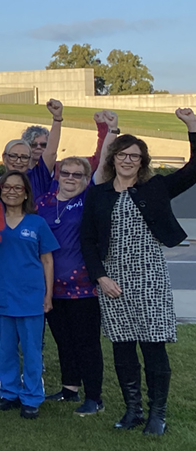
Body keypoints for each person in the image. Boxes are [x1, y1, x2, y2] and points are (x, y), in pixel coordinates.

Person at [80, 108, 196, 436]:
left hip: (150, 278)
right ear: (113, 158)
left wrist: (192, 127)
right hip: (113, 280)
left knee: (153, 346)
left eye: (136, 156)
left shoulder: (155, 188)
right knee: (122, 346)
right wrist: (101, 277)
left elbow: (194, 170)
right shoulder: (99, 195)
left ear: (142, 161)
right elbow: (87, 240)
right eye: (123, 155)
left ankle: (157, 414)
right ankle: (133, 410)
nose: (129, 160)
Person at [0, 171, 56, 419]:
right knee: (6, 349)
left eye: (17, 188)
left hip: (30, 295)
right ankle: (9, 392)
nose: (12, 191)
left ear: (25, 194)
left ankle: (32, 395)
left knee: (32, 350)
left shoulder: (36, 223)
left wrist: (48, 296)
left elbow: (47, 261)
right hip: (1, 293)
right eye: (6, 187)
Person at [38, 146, 108, 415]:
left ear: (86, 178)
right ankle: (69, 389)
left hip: (84, 287)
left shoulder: (91, 199)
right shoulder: (42, 203)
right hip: (50, 287)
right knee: (63, 340)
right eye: (65, 172)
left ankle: (94, 396)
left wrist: (108, 130)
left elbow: (103, 165)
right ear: (57, 174)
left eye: (77, 175)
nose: (70, 178)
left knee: (87, 342)